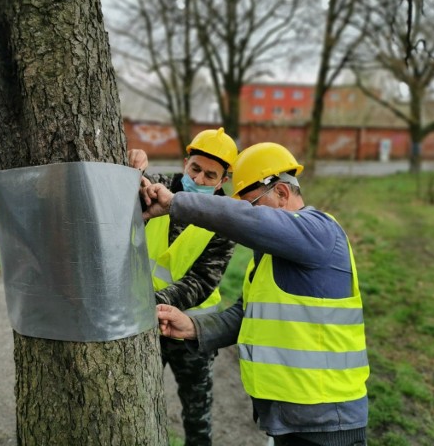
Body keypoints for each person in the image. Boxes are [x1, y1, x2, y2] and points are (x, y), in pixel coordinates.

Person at [142, 142, 370, 446]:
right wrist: (195, 327)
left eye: (251, 203)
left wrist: (176, 204)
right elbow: (247, 315)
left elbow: (249, 221)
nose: (248, 215)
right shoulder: (268, 257)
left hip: (327, 422)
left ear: (282, 193)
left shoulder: (320, 232)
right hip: (288, 418)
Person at [130, 127, 238, 446]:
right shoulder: (157, 187)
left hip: (193, 329)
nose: (200, 179)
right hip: (145, 324)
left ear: (222, 181)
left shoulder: (225, 219)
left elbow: (202, 281)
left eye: (210, 175)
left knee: (197, 411)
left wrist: (152, 303)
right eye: (195, 169)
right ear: (185, 161)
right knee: (137, 399)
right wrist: (129, 172)